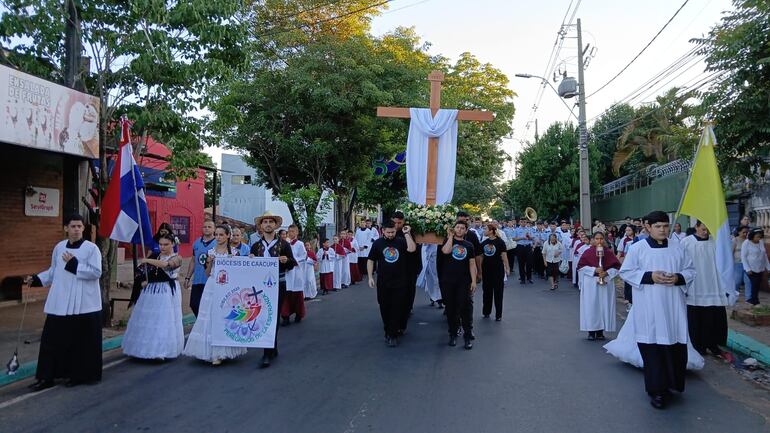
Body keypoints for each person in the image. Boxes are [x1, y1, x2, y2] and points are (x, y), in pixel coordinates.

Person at [618, 211, 695, 410]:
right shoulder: (638, 248)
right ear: (648, 227)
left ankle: (672, 385)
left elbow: (690, 270)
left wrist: (678, 278)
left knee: (674, 347)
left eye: (665, 226)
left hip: (673, 307)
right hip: (649, 307)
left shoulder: (678, 247)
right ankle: (657, 391)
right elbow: (626, 272)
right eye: (658, 226)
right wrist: (650, 276)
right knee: (653, 350)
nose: (662, 230)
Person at [26, 214, 103, 391]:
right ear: (65, 228)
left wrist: (74, 264)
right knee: (51, 341)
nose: (76, 229)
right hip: (60, 301)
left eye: (79, 226)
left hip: (84, 304)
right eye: (73, 226)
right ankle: (46, 377)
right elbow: (54, 271)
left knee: (80, 343)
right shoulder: (59, 247)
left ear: (83, 229)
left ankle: (78, 375)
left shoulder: (92, 249)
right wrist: (37, 279)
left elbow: (96, 272)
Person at [183, 225, 248, 365]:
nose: (218, 237)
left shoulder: (235, 253)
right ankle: (210, 351)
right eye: (216, 235)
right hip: (212, 285)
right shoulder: (210, 252)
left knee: (224, 316)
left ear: (227, 236)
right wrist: (210, 262)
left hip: (226, 288)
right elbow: (207, 273)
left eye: (221, 235)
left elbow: (238, 274)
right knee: (209, 316)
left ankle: (222, 351)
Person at [122, 233, 184, 360]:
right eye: (160, 244)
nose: (162, 247)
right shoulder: (156, 255)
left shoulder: (177, 258)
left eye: (166, 244)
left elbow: (166, 265)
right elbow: (142, 271)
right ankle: (143, 350)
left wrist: (148, 260)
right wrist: (144, 280)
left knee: (162, 320)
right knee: (147, 319)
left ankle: (161, 350)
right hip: (150, 290)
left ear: (172, 244)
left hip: (166, 290)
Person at [249, 212, 297, 368]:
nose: (268, 224)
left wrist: (286, 260)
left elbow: (292, 263)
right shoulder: (256, 246)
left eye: (271, 222)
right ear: (261, 226)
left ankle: (267, 351)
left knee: (273, 316)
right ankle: (271, 346)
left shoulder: (284, 245)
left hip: (278, 283)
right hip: (259, 286)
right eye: (265, 222)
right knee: (262, 316)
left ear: (275, 225)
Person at [680, 221, 733, 356]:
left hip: (713, 284)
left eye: (708, 230)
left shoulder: (715, 242)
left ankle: (713, 344)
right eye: (703, 229)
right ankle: (698, 345)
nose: (706, 232)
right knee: (696, 317)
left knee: (713, 317)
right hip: (695, 284)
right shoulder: (686, 242)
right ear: (696, 227)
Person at [367, 220, 416, 347]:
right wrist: (370, 277)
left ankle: (392, 334)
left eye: (393, 232)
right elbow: (371, 260)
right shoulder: (378, 243)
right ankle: (388, 330)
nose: (390, 234)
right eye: (388, 232)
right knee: (384, 307)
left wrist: (406, 234)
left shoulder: (400, 241)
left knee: (397, 307)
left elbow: (412, 248)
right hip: (383, 281)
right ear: (383, 231)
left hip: (400, 281)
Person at [440, 221, 478, 350]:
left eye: (462, 228)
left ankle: (467, 337)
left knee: (465, 309)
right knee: (451, 309)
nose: (460, 230)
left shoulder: (469, 245)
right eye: (458, 227)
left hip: (464, 281)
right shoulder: (448, 241)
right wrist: (450, 236)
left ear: (466, 231)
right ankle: (453, 334)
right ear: (454, 229)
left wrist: (473, 281)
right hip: (448, 281)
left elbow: (472, 264)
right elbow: (445, 251)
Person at [578, 232, 621, 341]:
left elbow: (617, 267)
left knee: (603, 306)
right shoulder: (588, 252)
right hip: (591, 282)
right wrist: (594, 270)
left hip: (605, 281)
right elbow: (581, 267)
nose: (599, 241)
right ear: (593, 240)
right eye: (597, 239)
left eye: (601, 239)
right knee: (592, 306)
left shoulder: (609, 253)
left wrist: (607, 273)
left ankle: (601, 330)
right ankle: (591, 331)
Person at [393, 211, 423, 334]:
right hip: (396, 267)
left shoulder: (410, 231)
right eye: (395, 222)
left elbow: (415, 249)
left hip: (410, 266)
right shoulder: (390, 232)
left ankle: (408, 308)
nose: (397, 225)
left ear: (404, 221)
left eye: (400, 222)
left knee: (410, 289)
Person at [184, 220, 216, 316]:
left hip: (210, 281)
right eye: (204, 226)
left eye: (209, 227)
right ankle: (200, 323)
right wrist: (187, 277)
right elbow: (193, 260)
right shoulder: (197, 243)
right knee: (194, 304)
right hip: (197, 280)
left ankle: (206, 327)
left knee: (209, 306)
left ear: (214, 229)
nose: (206, 228)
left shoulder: (217, 244)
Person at [479, 224, 509, 321]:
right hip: (486, 270)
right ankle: (486, 312)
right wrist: (479, 270)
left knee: (498, 293)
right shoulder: (484, 243)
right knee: (486, 292)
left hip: (498, 270)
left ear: (491, 231)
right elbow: (481, 257)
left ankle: (498, 315)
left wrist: (507, 268)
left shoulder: (500, 242)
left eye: (486, 229)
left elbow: (504, 256)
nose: (484, 230)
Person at [281, 224, 307, 325]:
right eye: (289, 231)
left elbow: (303, 256)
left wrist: (294, 260)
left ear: (297, 233)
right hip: (287, 271)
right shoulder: (284, 243)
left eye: (293, 231)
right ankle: (285, 315)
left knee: (297, 293)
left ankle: (299, 314)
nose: (290, 233)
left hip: (296, 271)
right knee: (286, 293)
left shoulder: (300, 244)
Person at [741, 228, 770, 306]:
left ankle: (753, 300)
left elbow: (764, 255)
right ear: (752, 236)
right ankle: (754, 300)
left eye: (760, 237)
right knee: (754, 285)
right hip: (751, 269)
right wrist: (747, 269)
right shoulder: (746, 243)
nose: (758, 238)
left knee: (757, 285)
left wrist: (768, 267)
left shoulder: (760, 242)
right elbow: (743, 257)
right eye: (757, 237)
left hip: (760, 268)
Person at [732, 226, 751, 301]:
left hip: (748, 264)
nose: (745, 234)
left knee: (748, 281)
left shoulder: (749, 240)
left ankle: (748, 298)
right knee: (737, 281)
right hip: (737, 263)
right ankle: (733, 297)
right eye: (744, 232)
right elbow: (731, 252)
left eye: (747, 232)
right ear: (739, 232)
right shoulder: (735, 240)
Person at [513, 218, 534, 284]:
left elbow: (532, 238)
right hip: (520, 247)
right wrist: (522, 237)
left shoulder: (529, 229)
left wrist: (529, 236)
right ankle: (522, 279)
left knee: (529, 263)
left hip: (528, 247)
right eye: (522, 222)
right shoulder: (516, 229)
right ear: (519, 222)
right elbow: (514, 239)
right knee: (521, 264)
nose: (523, 223)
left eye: (525, 222)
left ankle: (529, 277)